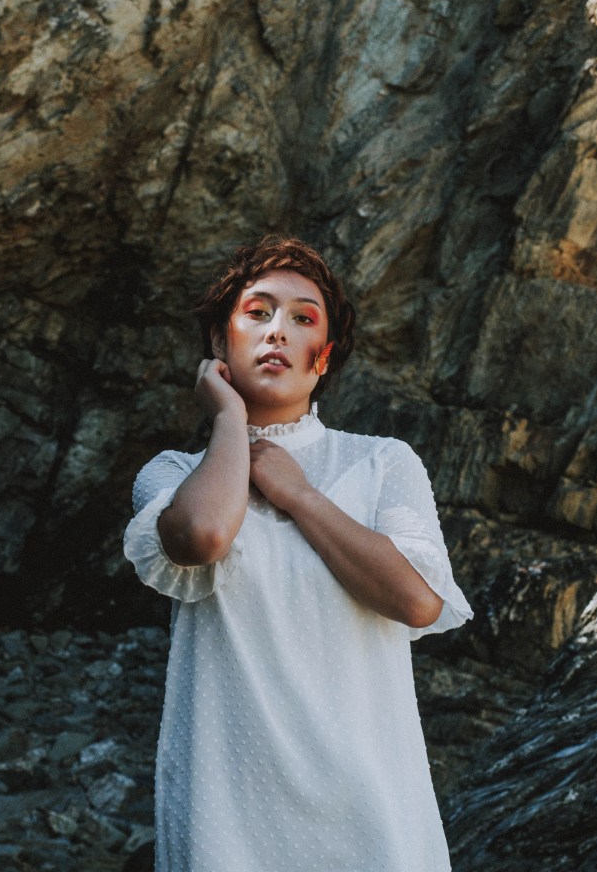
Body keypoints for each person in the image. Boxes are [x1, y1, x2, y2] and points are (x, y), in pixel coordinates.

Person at [123, 234, 473, 872]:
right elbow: (203, 537)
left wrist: (301, 495)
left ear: (324, 357)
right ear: (221, 342)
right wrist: (229, 421)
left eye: (302, 318)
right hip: (227, 806)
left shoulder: (382, 462)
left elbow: (418, 601)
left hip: (370, 803)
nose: (277, 330)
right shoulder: (172, 473)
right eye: (257, 312)